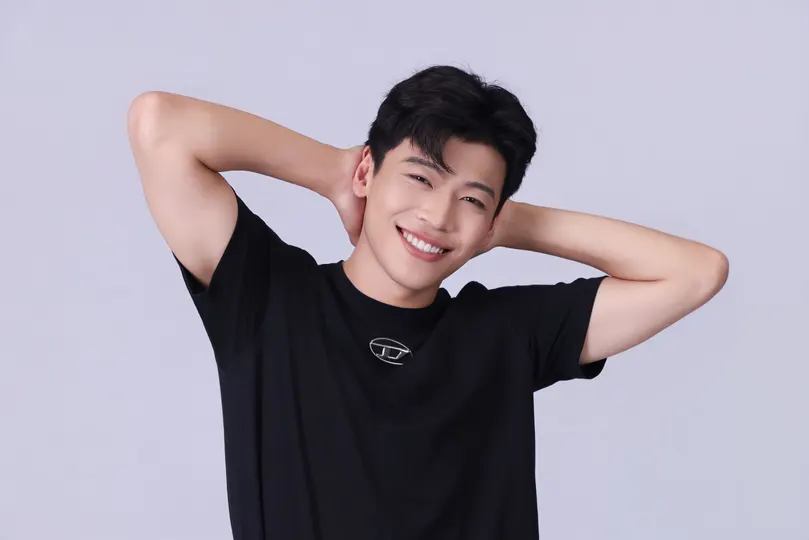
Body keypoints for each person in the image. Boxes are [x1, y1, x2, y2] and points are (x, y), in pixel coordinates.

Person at [127, 65, 728, 540]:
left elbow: (696, 273)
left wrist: (507, 222)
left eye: (471, 200)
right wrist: (335, 172)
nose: (438, 216)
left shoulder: (506, 332)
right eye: (420, 177)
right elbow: (160, 124)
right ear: (370, 170)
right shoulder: (269, 298)